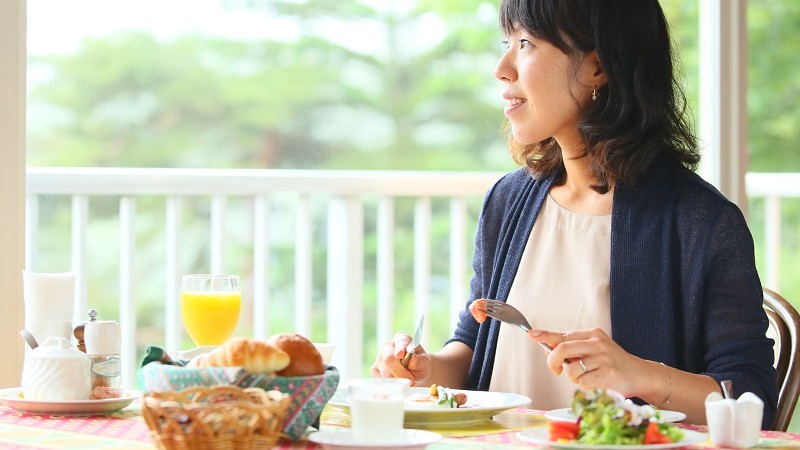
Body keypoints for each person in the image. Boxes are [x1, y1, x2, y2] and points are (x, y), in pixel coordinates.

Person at [370, 0, 778, 429]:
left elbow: (751, 400)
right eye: (506, 42)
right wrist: (425, 370)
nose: (502, 67)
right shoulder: (508, 201)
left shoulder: (701, 222)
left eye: (525, 43)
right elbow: (474, 345)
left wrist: (642, 375)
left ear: (597, 68)